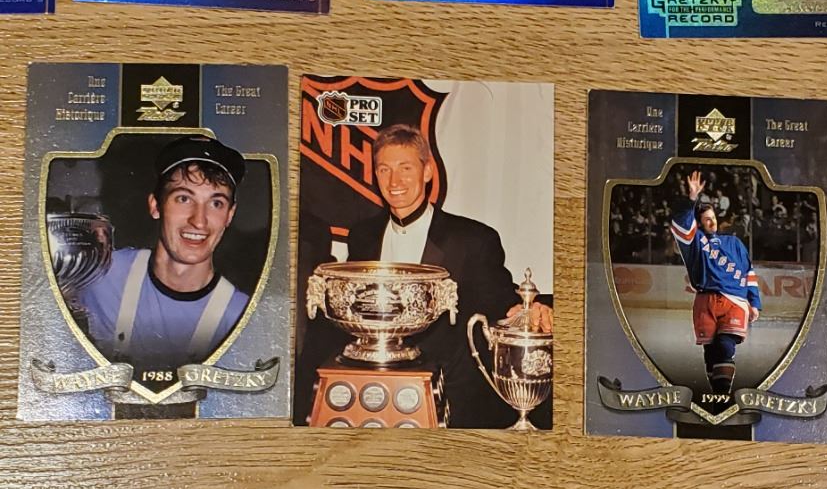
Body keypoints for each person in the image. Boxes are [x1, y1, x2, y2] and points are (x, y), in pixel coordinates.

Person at [298, 123, 553, 428]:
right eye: (384, 170)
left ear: (428, 171)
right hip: (372, 389)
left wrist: (530, 310)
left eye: (405, 168)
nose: (394, 181)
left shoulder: (473, 239)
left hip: (447, 397)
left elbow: (499, 301)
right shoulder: (363, 236)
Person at [70, 134, 250, 380]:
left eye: (216, 203)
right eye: (184, 198)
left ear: (229, 215)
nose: (199, 221)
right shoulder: (99, 273)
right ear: (156, 206)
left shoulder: (241, 315)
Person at [670, 169, 761, 398]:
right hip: (705, 301)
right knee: (710, 351)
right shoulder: (695, 243)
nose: (713, 222)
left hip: (734, 300)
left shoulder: (734, 243)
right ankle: (716, 394)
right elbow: (681, 224)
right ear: (699, 224)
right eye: (707, 219)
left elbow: (749, 273)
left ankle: (722, 395)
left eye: (714, 218)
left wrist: (754, 302)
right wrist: (692, 198)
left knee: (724, 345)